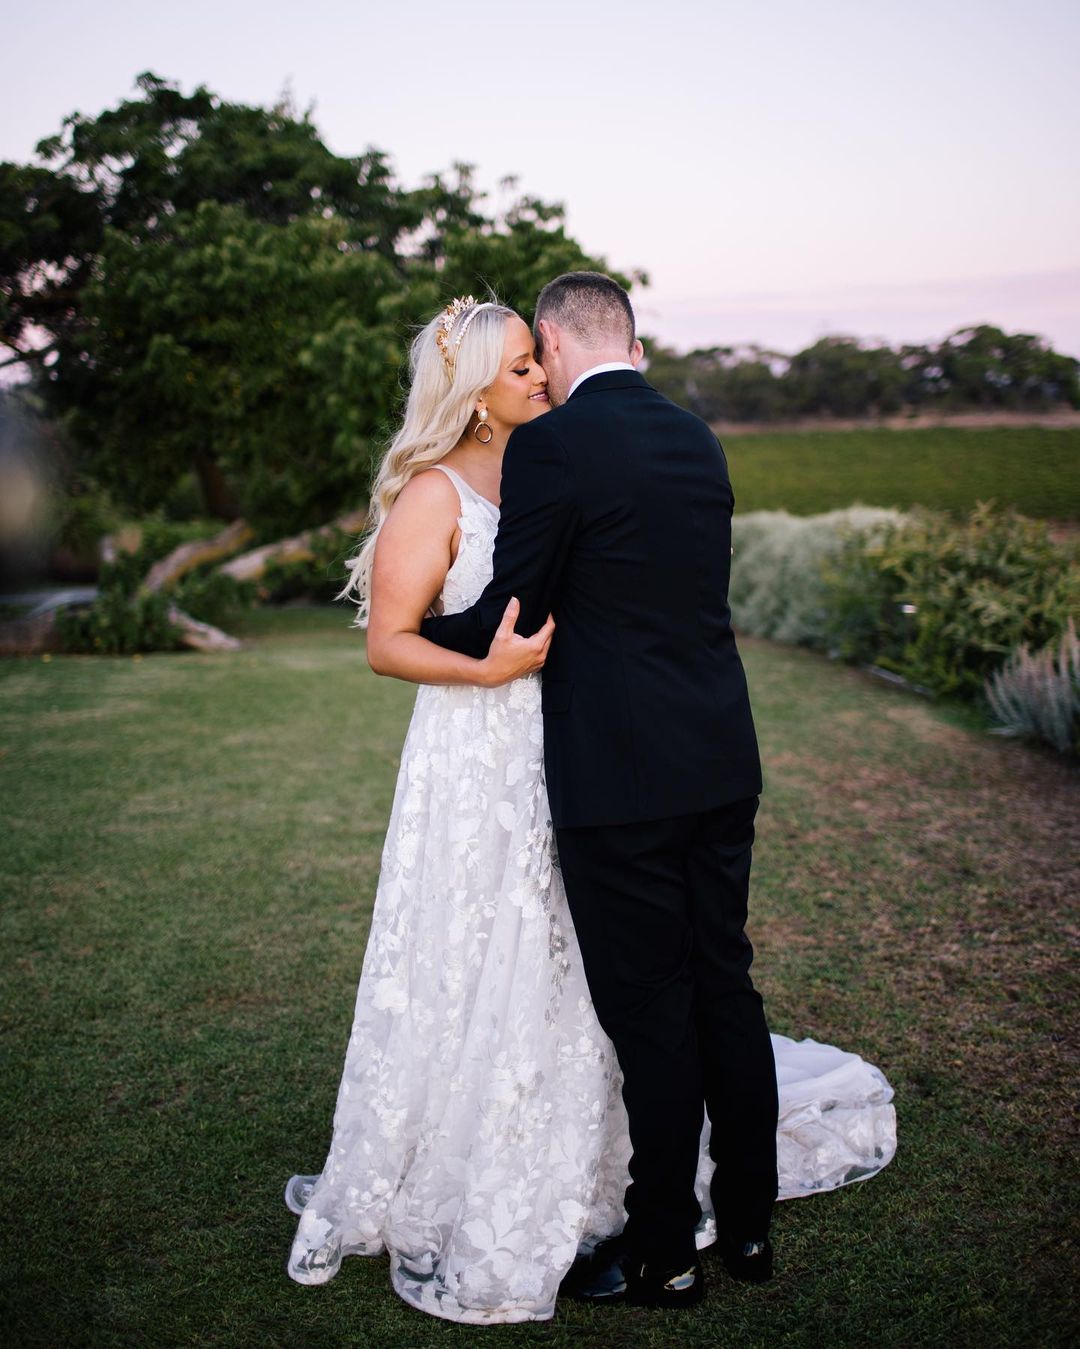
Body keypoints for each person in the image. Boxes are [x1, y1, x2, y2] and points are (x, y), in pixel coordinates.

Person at [284, 291, 896, 1324]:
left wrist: (494, 643)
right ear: (477, 391)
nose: (535, 378)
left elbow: (520, 600)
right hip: (684, 752)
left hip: (605, 765)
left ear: (561, 344)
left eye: (536, 359)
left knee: (650, 1001)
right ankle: (740, 1215)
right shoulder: (690, 438)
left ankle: (664, 1238)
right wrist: (490, 661)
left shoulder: (559, 453)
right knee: (700, 981)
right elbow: (420, 630)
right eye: (516, 368)